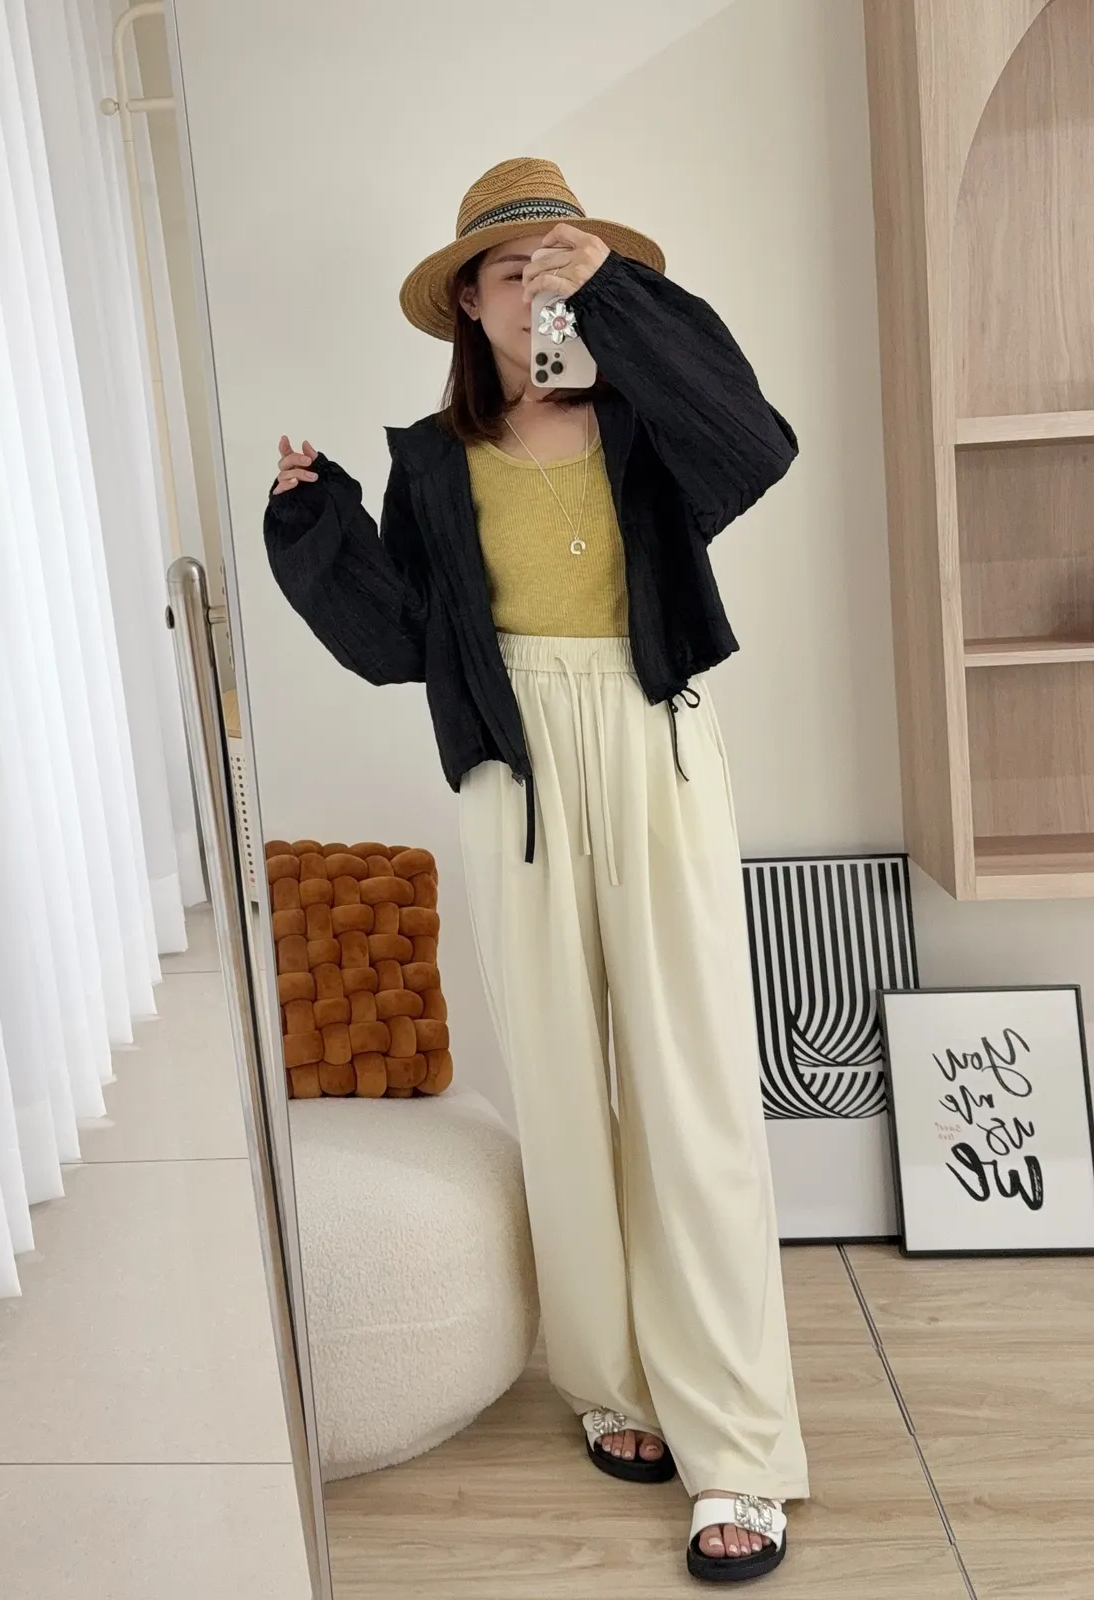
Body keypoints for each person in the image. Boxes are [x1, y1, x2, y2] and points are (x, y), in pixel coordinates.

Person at [263, 157, 810, 1585]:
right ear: (467, 302)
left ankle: (737, 1446)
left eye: (558, 264)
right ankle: (614, 1381)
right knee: (561, 1085)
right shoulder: (435, 459)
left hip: (652, 744)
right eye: (510, 270)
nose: (534, 289)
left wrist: (618, 301)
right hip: (514, 767)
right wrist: (316, 527)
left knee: (691, 1088)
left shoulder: (652, 423)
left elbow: (759, 445)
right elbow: (403, 641)